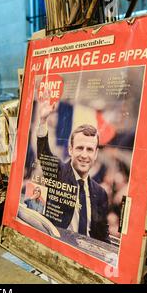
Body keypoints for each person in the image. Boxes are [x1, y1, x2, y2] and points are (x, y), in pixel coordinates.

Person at [36, 99, 109, 242]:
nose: (84, 155)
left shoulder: (100, 193)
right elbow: (43, 155)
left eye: (89, 150)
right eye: (80, 148)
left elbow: (102, 234)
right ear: (70, 150)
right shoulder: (59, 172)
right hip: (59, 245)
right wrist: (43, 120)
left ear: (95, 154)